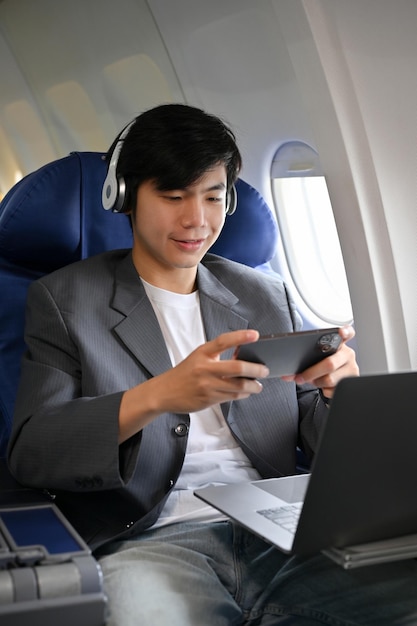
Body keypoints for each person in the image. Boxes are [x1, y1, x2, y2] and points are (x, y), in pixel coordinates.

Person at [7, 104, 417, 626]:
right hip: (152, 540)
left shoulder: (266, 296)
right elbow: (33, 452)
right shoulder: (65, 301)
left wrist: (343, 398)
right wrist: (160, 394)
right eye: (174, 197)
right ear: (126, 198)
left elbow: (324, 446)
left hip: (279, 529)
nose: (196, 219)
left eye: (213, 196)